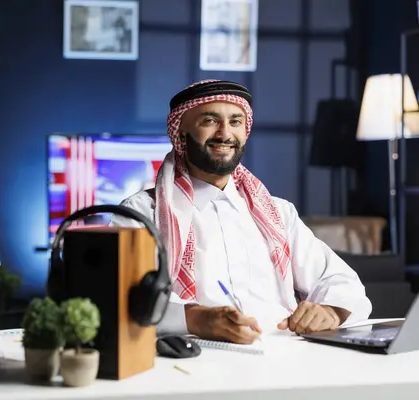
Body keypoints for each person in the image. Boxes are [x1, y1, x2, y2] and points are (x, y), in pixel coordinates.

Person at [110, 80, 372, 345]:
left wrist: (329, 311)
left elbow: (342, 281)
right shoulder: (142, 214)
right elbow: (122, 298)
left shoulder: (278, 213)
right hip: (195, 360)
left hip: (286, 357)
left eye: (235, 122)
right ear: (179, 134)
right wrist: (197, 319)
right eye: (210, 120)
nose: (225, 134)